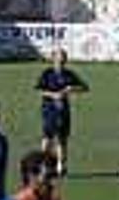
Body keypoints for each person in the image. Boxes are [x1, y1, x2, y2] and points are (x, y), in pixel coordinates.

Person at [35, 48, 89, 176]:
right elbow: (39, 90)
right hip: (49, 110)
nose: (61, 62)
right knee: (47, 138)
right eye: (59, 60)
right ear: (53, 60)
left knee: (62, 138)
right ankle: (44, 165)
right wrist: (53, 95)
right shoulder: (47, 74)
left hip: (64, 111)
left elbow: (85, 87)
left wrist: (72, 89)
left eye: (63, 60)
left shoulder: (69, 74)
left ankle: (61, 166)